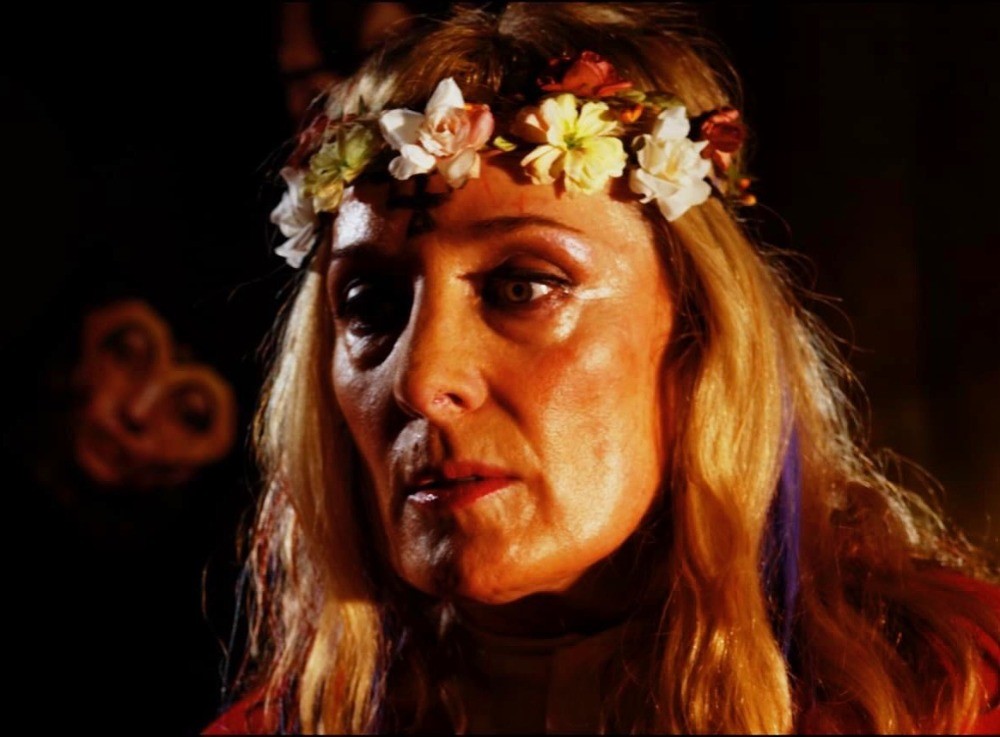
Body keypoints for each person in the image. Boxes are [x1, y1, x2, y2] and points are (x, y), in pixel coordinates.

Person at [207, 4, 999, 733]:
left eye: (524, 286)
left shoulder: (949, 694)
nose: (421, 381)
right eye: (371, 305)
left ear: (698, 328)